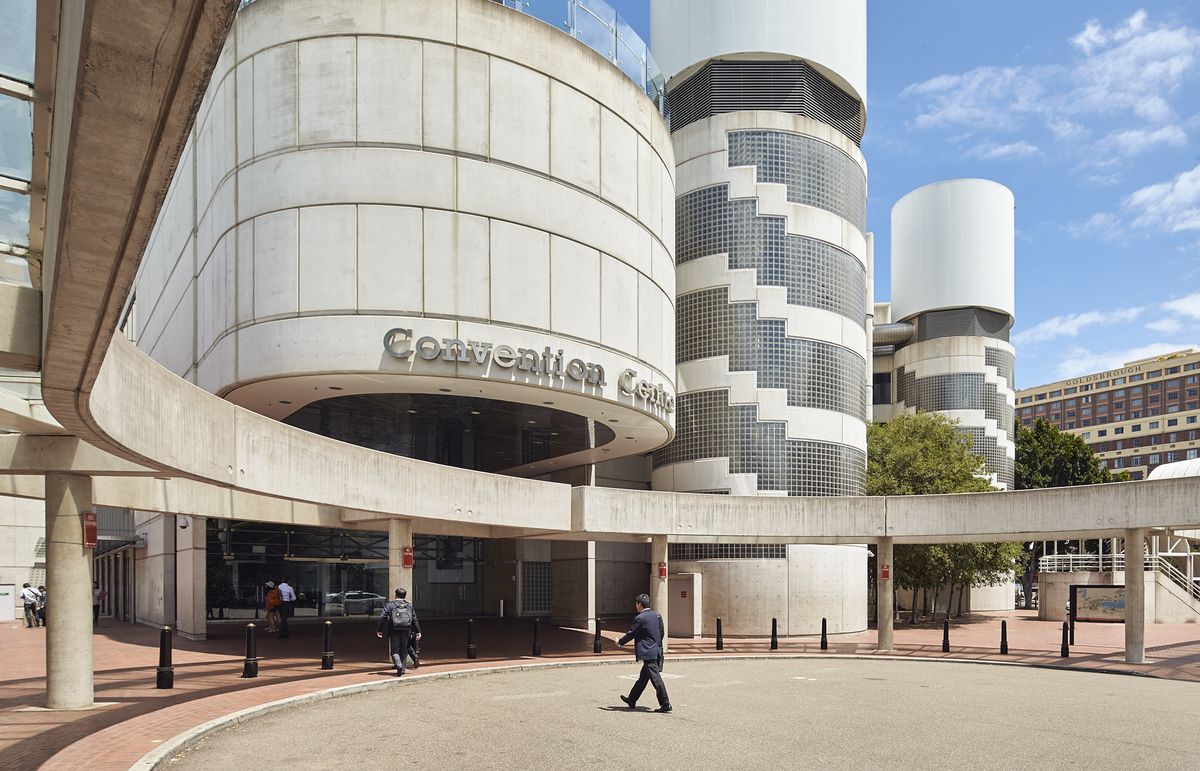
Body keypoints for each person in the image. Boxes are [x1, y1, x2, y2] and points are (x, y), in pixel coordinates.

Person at [617, 593, 671, 713]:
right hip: (656, 650)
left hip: (648, 652)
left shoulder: (640, 618)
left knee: (656, 679)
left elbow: (631, 633)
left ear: (639, 604)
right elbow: (661, 632)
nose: (636, 606)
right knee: (643, 678)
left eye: (636, 604)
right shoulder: (657, 615)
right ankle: (632, 699)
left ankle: (665, 703)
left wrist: (620, 642)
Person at [375, 588, 421, 676]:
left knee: (394, 650)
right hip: (407, 630)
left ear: (396, 595)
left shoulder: (390, 605)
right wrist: (418, 631)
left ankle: (398, 665)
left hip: (394, 630)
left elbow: (382, 617)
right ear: (405, 596)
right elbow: (415, 619)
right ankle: (403, 669)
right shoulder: (409, 605)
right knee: (404, 649)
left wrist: (379, 629)